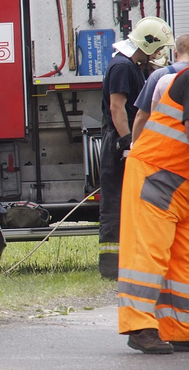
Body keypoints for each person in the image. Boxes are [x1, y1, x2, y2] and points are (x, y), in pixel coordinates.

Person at [117, 60, 189, 356]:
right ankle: (140, 326)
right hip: (156, 173)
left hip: (179, 179)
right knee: (146, 253)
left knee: (181, 258)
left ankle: (178, 328)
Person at [97, 17, 174, 280]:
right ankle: (110, 267)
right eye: (159, 47)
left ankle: (127, 262)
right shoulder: (121, 66)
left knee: (130, 204)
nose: (161, 53)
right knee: (116, 205)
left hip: (126, 141)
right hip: (120, 143)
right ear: (148, 44)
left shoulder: (131, 65)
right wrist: (127, 143)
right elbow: (117, 107)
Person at [131, 34, 189, 143]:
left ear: (175, 54)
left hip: (167, 145)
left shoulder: (160, 76)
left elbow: (142, 116)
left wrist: (134, 146)